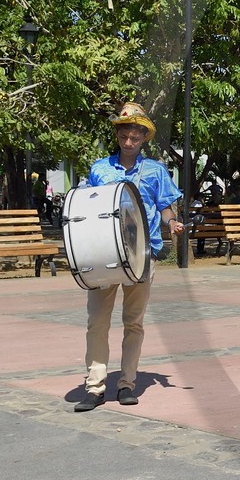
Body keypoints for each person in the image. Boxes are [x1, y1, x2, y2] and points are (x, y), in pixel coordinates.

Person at [74, 102, 185, 411]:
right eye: (124, 135)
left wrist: (172, 222)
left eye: (135, 136)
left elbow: (165, 206)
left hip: (142, 254)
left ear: (143, 137)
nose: (128, 142)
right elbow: (86, 205)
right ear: (118, 135)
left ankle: (126, 384)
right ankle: (95, 387)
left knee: (133, 323)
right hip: (103, 252)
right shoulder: (100, 169)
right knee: (96, 321)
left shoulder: (156, 170)